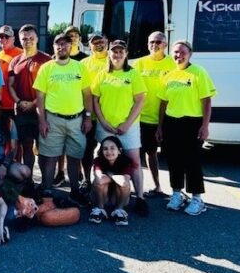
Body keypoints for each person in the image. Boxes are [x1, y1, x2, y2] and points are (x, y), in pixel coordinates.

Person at [156, 41, 216, 216]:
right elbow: (163, 102)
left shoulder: (198, 72)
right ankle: (177, 194)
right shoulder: (169, 75)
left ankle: (197, 198)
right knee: (174, 160)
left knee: (192, 160)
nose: (178, 55)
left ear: (190, 54)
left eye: (183, 52)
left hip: (192, 123)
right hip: (171, 122)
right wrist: (160, 127)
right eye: (175, 52)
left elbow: (207, 101)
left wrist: (205, 126)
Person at [33, 33, 93, 206]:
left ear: (71, 46)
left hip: (76, 120)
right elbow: (40, 96)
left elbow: (87, 94)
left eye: (65, 44)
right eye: (58, 44)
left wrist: (87, 118)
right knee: (50, 158)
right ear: (54, 47)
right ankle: (47, 191)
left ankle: (75, 192)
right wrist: (42, 120)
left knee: (74, 158)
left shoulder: (79, 67)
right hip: (53, 120)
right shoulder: (47, 68)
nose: (62, 47)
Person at [92, 40, 148, 216]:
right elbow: (95, 100)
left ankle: (140, 198)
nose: (117, 55)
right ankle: (104, 195)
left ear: (126, 54)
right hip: (105, 126)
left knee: (135, 162)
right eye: (114, 51)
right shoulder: (102, 74)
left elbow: (140, 100)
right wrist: (102, 121)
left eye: (120, 52)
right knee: (104, 160)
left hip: (128, 126)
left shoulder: (133, 74)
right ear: (109, 53)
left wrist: (127, 123)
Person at [133, 31, 175, 197]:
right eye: (151, 42)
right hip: (139, 118)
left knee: (154, 154)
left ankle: (160, 187)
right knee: (136, 156)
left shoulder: (173, 63)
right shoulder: (139, 63)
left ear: (165, 45)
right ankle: (135, 189)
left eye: (158, 42)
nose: (154, 45)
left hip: (165, 118)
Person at [8, 24, 52, 170]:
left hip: (42, 111)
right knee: (26, 146)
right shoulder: (15, 61)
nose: (28, 41)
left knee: (43, 148)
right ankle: (28, 181)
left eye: (31, 38)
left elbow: (50, 87)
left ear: (37, 38)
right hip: (22, 111)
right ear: (20, 40)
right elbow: (10, 86)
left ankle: (45, 184)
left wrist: (34, 103)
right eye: (24, 38)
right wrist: (19, 102)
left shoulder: (47, 60)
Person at [79, 33, 110, 190]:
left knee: (109, 150)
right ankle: (87, 179)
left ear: (107, 42)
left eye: (101, 41)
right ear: (89, 46)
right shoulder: (83, 63)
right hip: (89, 114)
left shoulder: (114, 61)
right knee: (87, 150)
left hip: (108, 115)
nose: (98, 44)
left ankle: (107, 181)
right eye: (94, 42)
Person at [89, 136, 132, 226]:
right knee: (97, 182)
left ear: (119, 151)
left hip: (117, 197)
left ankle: (119, 210)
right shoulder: (98, 161)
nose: (109, 151)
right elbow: (99, 180)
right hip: (101, 196)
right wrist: (116, 177)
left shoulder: (126, 161)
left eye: (112, 148)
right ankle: (100, 209)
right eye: (105, 149)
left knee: (125, 184)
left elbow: (124, 182)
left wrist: (109, 175)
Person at [0, 25, 22, 118]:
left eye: (7, 36)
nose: (3, 39)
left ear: (13, 39)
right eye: (1, 36)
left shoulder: (21, 54)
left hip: (16, 105)